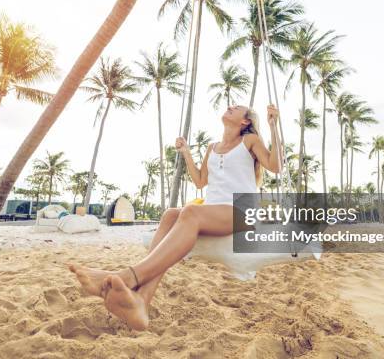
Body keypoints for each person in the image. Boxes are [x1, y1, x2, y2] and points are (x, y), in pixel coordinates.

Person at [69, 104, 283, 330]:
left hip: (241, 211)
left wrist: (273, 126)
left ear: (245, 122)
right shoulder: (212, 147)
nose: (230, 107)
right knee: (171, 215)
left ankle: (129, 276)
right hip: (215, 211)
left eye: (237, 108)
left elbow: (275, 166)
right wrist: (186, 153)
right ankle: (142, 300)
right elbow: (201, 181)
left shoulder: (249, 142)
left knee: (190, 211)